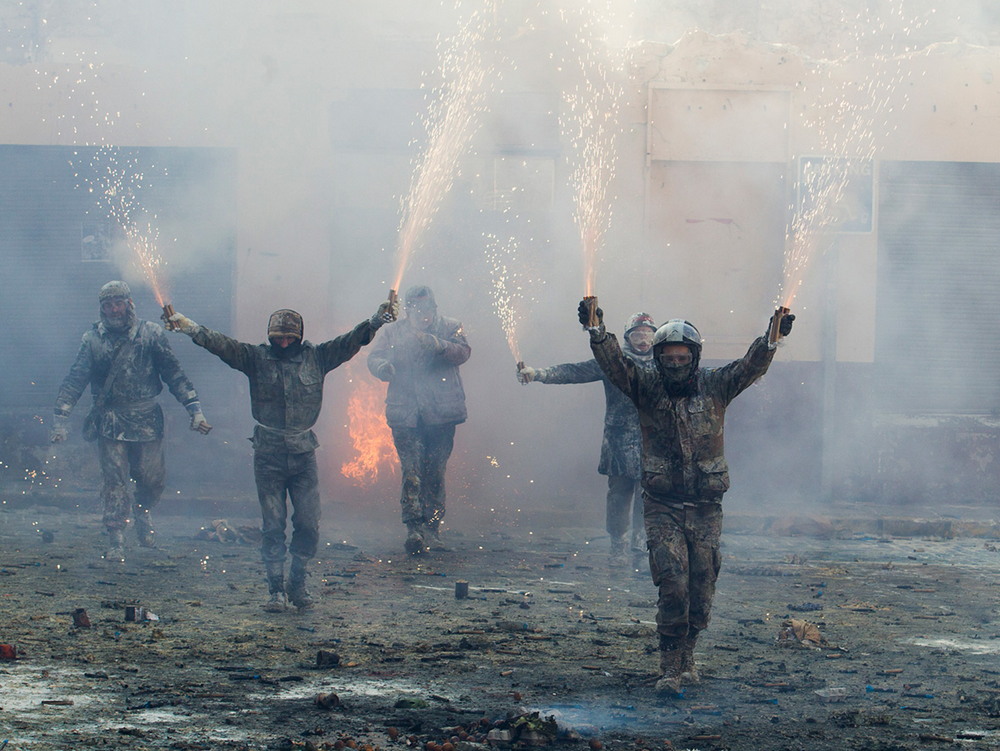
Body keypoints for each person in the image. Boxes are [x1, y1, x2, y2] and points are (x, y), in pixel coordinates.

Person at [579, 300, 794, 694]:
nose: (675, 363)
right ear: (658, 359)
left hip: (706, 507)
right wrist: (599, 334)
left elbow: (750, 367)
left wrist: (770, 339)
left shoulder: (716, 385)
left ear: (694, 357)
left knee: (702, 587)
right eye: (668, 356)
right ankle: (669, 667)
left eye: (682, 356)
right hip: (662, 505)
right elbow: (614, 366)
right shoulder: (644, 387)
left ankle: (689, 654)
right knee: (673, 581)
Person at [167, 296, 398, 612]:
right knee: (273, 524)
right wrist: (190, 327)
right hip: (268, 455)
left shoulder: (317, 358)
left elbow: (351, 342)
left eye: (290, 337)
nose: (285, 342)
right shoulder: (255, 358)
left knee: (308, 523)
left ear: (300, 336)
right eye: (279, 337)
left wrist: (374, 321)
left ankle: (297, 583)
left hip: (304, 455)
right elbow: (220, 344)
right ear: (270, 337)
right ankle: (275, 590)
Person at [50, 280, 212, 560]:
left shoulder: (150, 334)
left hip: (147, 418)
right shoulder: (93, 340)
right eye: (108, 305)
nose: (114, 310)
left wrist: (194, 409)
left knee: (152, 480)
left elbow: (174, 373)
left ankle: (143, 512)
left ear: (129, 304)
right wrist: (60, 419)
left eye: (118, 303)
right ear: (102, 309)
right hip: (110, 420)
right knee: (114, 482)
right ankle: (116, 537)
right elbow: (75, 380)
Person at [516, 312, 656, 567]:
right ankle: (618, 546)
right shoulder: (614, 362)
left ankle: (641, 544)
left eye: (648, 334)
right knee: (619, 495)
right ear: (628, 337)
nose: (644, 340)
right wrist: (538, 373)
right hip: (619, 440)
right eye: (638, 334)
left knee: (650, 495)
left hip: (654, 440)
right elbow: (574, 371)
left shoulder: (664, 363)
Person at [366, 285, 471, 555]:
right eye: (417, 310)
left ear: (435, 308)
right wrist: (382, 368)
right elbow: (375, 357)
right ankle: (413, 529)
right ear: (409, 310)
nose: (423, 315)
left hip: (442, 413)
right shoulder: (392, 332)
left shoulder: (451, 327)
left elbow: (464, 352)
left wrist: (440, 346)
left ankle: (433, 530)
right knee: (411, 472)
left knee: (435, 472)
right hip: (406, 413)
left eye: (428, 309)